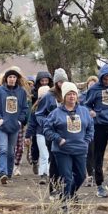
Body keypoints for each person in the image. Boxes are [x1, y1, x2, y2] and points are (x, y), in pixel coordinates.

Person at [44, 82, 94, 206]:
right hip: (62, 150)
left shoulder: (84, 111)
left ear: (77, 96)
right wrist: (58, 139)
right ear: (64, 97)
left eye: (74, 94)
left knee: (81, 176)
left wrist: (86, 141)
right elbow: (47, 129)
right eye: (69, 94)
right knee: (67, 177)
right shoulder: (56, 113)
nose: (72, 96)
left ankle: (67, 195)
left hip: (80, 149)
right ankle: (65, 205)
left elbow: (90, 128)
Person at [84, 65, 108, 198]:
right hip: (99, 125)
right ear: (101, 78)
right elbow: (86, 104)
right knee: (98, 156)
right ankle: (100, 185)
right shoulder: (94, 89)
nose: (107, 81)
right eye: (105, 79)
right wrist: (91, 112)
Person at [0, 67, 30, 184]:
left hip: (14, 126)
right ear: (6, 79)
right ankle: (2, 173)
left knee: (11, 152)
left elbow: (24, 108)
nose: (12, 79)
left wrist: (20, 120)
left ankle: (8, 173)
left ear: (17, 79)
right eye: (10, 77)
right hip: (1, 126)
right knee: (3, 149)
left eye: (14, 77)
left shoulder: (21, 92)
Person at [36, 68, 68, 198]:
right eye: (59, 81)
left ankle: (66, 190)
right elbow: (39, 114)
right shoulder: (49, 96)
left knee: (66, 163)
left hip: (68, 134)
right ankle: (54, 190)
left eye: (63, 81)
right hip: (53, 135)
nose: (61, 84)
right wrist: (48, 124)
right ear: (55, 83)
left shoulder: (70, 94)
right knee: (54, 161)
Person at [25, 85, 51, 184]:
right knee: (44, 154)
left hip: (52, 134)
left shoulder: (54, 107)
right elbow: (31, 123)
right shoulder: (35, 109)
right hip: (40, 134)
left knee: (50, 155)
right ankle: (43, 175)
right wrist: (28, 136)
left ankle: (50, 174)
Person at [79, 75, 98, 187]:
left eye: (94, 84)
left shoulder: (100, 96)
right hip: (86, 128)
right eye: (90, 84)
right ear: (87, 85)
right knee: (89, 152)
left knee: (97, 152)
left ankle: (97, 174)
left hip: (99, 127)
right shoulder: (82, 97)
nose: (92, 86)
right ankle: (90, 175)